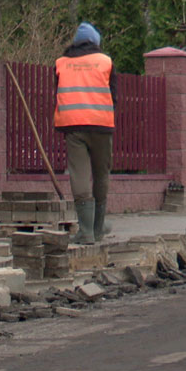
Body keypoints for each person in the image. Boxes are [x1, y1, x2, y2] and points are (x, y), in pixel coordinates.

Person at [54, 22, 116, 244]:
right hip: (101, 124)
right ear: (96, 42)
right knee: (101, 173)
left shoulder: (62, 63)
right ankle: (98, 228)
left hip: (74, 126)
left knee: (79, 173)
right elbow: (114, 95)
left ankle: (86, 231)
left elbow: (58, 93)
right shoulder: (105, 61)